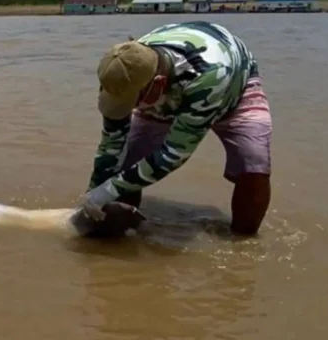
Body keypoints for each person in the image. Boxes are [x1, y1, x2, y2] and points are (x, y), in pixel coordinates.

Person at [79, 20, 272, 236]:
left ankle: (243, 244)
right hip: (164, 93)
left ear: (159, 84)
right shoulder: (120, 68)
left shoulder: (210, 76)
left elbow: (174, 153)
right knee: (126, 163)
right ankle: (117, 234)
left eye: (132, 101)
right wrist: (94, 191)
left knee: (253, 166)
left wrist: (110, 189)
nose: (128, 108)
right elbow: (111, 143)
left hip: (232, 86)